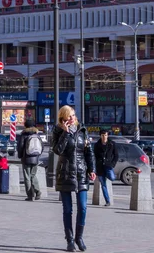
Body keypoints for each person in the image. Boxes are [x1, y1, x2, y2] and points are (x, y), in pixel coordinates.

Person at [52, 105, 95, 252]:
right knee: (68, 209)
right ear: (63, 118)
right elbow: (57, 150)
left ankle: (79, 237)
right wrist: (65, 133)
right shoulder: (58, 131)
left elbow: (89, 151)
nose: (72, 118)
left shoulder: (82, 130)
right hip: (65, 173)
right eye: (69, 116)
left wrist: (92, 169)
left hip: (81, 173)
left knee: (82, 208)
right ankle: (69, 240)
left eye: (74, 115)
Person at [17, 119, 43, 201]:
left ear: (25, 126)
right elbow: (42, 147)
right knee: (33, 175)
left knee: (27, 177)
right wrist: (37, 155)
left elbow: (20, 147)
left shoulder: (24, 134)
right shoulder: (37, 134)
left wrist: (20, 155)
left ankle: (30, 195)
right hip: (35, 158)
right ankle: (38, 191)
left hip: (26, 158)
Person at [93, 129, 118, 207]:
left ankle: (108, 175)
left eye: (106, 135)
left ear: (108, 136)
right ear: (100, 136)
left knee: (112, 178)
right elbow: (95, 156)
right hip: (100, 167)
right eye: (103, 135)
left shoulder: (112, 144)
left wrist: (113, 164)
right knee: (103, 185)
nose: (104, 137)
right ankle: (107, 201)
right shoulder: (97, 145)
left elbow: (116, 155)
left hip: (108, 165)